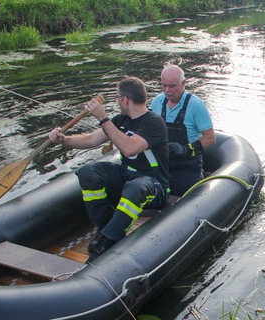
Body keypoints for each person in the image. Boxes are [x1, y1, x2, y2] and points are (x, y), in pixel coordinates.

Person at [49, 77, 169, 263]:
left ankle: (108, 240)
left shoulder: (154, 122)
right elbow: (90, 139)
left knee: (136, 188)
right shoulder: (120, 120)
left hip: (154, 183)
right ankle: (104, 224)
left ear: (125, 99)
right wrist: (64, 139)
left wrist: (102, 117)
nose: (116, 101)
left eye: (117, 97)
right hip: (127, 175)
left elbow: (130, 147)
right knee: (88, 172)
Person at [149, 64, 215, 197]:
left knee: (185, 198)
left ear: (183, 83)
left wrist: (185, 149)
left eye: (172, 86)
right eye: (164, 85)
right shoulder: (157, 102)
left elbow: (210, 138)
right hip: (162, 163)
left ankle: (200, 176)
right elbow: (146, 128)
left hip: (187, 165)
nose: (167, 90)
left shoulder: (196, 105)